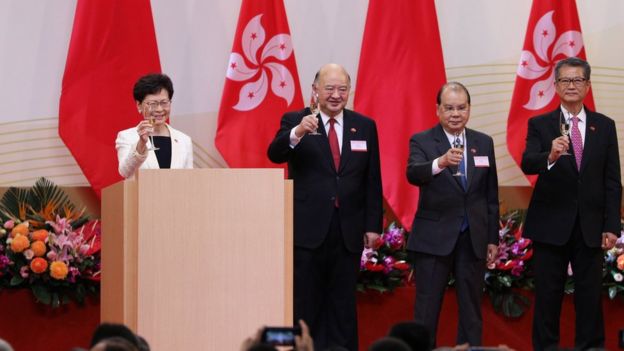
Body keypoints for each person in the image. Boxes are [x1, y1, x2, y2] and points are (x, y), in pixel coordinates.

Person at [267, 63, 383, 351]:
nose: (335, 94)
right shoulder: (295, 119)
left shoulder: (364, 126)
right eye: (329, 88)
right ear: (315, 90)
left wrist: (372, 225)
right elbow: (274, 153)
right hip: (308, 228)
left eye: (342, 89)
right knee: (306, 300)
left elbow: (372, 178)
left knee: (343, 302)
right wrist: (297, 133)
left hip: (348, 229)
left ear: (349, 92)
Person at [521, 57, 621, 350]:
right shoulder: (540, 124)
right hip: (550, 226)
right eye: (565, 80)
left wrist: (611, 224)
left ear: (588, 86)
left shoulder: (604, 126)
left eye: (578, 80)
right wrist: (549, 156)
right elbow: (528, 162)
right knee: (547, 299)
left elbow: (612, 180)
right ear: (556, 86)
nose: (572, 86)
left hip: (590, 227)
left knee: (589, 299)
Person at [406, 82, 499, 348]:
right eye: (449, 108)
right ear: (438, 110)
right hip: (434, 238)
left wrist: (492, 238)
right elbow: (413, 173)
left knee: (471, 310)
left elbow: (490, 196)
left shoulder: (483, 142)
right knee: (426, 308)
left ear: (469, 109)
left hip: (473, 237)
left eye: (461, 108)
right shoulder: (422, 140)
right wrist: (441, 162)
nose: (455, 114)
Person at [116, 73, 193, 178]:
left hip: (176, 194)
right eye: (153, 104)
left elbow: (189, 179)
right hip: (142, 194)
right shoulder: (127, 137)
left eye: (164, 102)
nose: (159, 109)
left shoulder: (184, 140)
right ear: (139, 105)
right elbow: (125, 172)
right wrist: (141, 144)